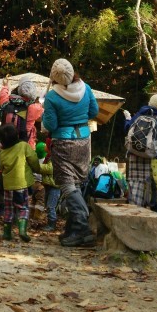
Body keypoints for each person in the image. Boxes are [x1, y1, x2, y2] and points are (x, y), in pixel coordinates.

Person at [42, 58, 99, 247]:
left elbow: (51, 125)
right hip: (84, 140)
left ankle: (83, 227)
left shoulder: (52, 97)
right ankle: (72, 230)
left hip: (63, 142)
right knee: (76, 184)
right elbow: (94, 111)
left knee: (67, 186)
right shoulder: (86, 88)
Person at [0, 124, 52, 242]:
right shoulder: (23, 146)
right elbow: (33, 160)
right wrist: (37, 169)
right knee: (23, 208)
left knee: (8, 209)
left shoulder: (3, 152)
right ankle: (22, 231)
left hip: (8, 185)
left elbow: (1, 167)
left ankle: (7, 233)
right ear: (17, 135)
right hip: (21, 184)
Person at [124, 94, 157, 212]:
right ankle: (153, 211)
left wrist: (128, 118)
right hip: (153, 157)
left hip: (134, 154)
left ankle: (134, 209)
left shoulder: (140, 115)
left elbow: (127, 129)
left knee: (135, 183)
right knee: (152, 185)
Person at [0, 76, 43, 148]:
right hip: (25, 146)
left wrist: (5, 86)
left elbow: (3, 95)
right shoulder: (33, 108)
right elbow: (44, 108)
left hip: (6, 145)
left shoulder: (7, 103)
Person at [42, 137, 60, 232]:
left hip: (54, 186)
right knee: (48, 204)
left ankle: (52, 224)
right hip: (49, 184)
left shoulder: (54, 158)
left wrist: (38, 167)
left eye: (46, 145)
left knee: (51, 205)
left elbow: (49, 169)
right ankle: (49, 222)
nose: (45, 147)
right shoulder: (48, 157)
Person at [29, 141, 47, 223]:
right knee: (40, 201)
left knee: (33, 200)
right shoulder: (45, 160)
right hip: (41, 184)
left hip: (32, 182)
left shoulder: (34, 159)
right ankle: (36, 218)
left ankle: (30, 216)